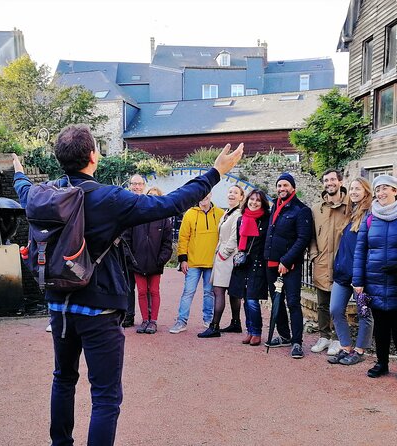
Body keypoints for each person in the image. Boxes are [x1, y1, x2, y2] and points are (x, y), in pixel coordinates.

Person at [13, 123, 243, 446]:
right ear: (94, 156)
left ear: (58, 158)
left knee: (63, 379)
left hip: (58, 304)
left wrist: (19, 172)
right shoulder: (109, 199)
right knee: (105, 396)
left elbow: (22, 188)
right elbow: (170, 204)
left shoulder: (42, 195)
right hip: (99, 306)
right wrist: (214, 173)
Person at [352, 174, 397, 381]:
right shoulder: (370, 217)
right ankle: (382, 363)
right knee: (380, 326)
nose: (381, 193)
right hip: (374, 279)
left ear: (395, 191)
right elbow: (360, 250)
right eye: (378, 190)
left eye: (386, 188)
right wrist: (358, 280)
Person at [264, 173, 313, 359]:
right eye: (279, 185)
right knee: (277, 302)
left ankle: (297, 342)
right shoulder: (275, 206)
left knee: (293, 302)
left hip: (289, 265)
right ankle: (284, 335)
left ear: (293, 188)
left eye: (285, 185)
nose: (281, 188)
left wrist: (287, 260)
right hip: (271, 263)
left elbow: (302, 239)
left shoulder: (301, 210)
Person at [327, 177, 374, 365]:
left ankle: (360, 350)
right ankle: (346, 347)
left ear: (366, 192)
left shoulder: (371, 214)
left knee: (364, 312)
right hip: (343, 272)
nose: (354, 192)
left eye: (358, 189)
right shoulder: (350, 212)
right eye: (352, 188)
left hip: (361, 275)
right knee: (336, 309)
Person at [309, 169, 350, 356]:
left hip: (342, 263)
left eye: (333, 179)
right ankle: (324, 336)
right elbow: (311, 236)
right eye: (326, 180)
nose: (329, 183)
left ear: (340, 181)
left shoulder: (351, 206)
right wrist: (313, 255)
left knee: (338, 306)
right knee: (322, 304)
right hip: (322, 262)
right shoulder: (317, 209)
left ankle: (337, 338)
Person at [169, 193, 224, 333]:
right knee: (188, 292)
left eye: (207, 194)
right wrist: (183, 259)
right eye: (201, 194)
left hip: (212, 262)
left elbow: (223, 237)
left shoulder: (220, 214)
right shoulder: (190, 214)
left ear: (211, 194)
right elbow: (183, 238)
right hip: (193, 262)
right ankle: (181, 321)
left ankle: (208, 320)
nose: (204, 197)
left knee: (209, 293)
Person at [198, 184, 245, 338]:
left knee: (219, 290)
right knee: (231, 292)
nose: (231, 194)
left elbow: (234, 237)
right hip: (223, 255)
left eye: (235, 193)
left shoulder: (238, 214)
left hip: (227, 256)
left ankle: (215, 326)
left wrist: (223, 254)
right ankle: (236, 323)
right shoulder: (227, 213)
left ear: (241, 197)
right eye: (230, 191)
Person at [129, 187, 173, 335]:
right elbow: (126, 239)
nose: (152, 199)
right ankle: (144, 320)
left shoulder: (164, 219)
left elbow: (167, 243)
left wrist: (161, 260)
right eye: (150, 196)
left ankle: (153, 320)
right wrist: (132, 259)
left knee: (154, 291)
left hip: (155, 263)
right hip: (138, 263)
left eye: (155, 196)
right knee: (141, 291)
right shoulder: (136, 217)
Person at [228, 188, 270, 346]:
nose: (254, 202)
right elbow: (240, 243)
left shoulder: (266, 220)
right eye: (252, 199)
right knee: (245, 299)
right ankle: (249, 330)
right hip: (244, 263)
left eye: (258, 200)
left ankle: (257, 332)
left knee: (252, 299)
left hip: (258, 264)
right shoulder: (241, 219)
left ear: (262, 203)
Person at [121, 174, 146, 328]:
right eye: (134, 184)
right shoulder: (124, 203)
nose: (136, 187)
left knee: (146, 289)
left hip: (144, 253)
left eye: (139, 184)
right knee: (127, 287)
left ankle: (149, 318)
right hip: (126, 252)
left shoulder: (148, 203)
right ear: (129, 185)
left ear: (144, 185)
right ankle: (128, 316)